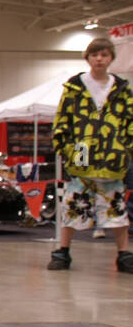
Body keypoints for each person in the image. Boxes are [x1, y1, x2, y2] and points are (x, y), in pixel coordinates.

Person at [48, 38, 133, 273]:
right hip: (81, 161)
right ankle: (62, 252)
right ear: (88, 58)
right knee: (72, 208)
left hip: (111, 162)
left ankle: (124, 254)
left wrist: (125, 148)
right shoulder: (74, 88)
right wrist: (66, 149)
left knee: (117, 210)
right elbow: (62, 121)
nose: (99, 59)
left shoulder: (122, 89)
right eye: (95, 54)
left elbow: (130, 122)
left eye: (104, 55)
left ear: (111, 58)